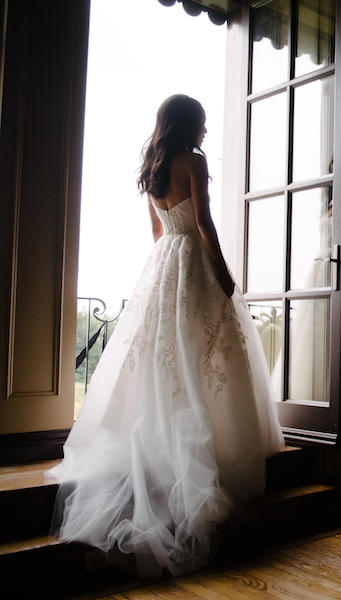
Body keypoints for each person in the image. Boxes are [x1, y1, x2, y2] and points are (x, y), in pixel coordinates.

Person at [45, 94, 285, 577]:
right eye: (203, 125)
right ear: (191, 126)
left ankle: (164, 444)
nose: (205, 135)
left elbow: (158, 235)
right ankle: (215, 451)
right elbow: (203, 223)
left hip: (163, 264)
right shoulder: (192, 162)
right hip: (192, 259)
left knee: (164, 359)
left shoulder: (152, 168)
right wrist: (222, 275)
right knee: (205, 355)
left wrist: (162, 279)